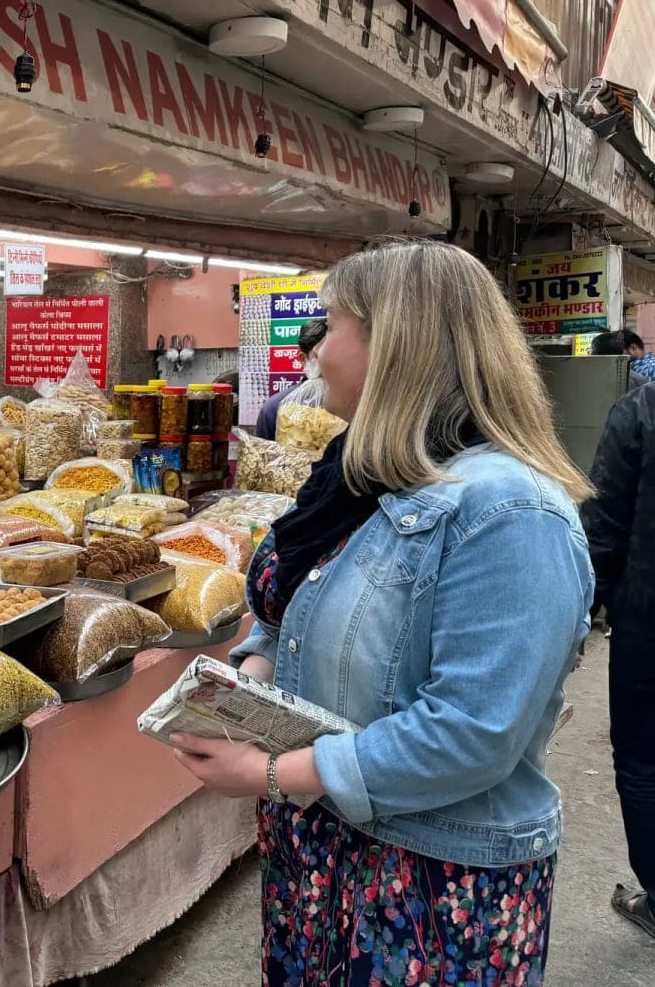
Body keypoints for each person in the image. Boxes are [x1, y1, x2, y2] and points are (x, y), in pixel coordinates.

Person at [169, 240, 593, 985]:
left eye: (329, 326)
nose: (313, 350)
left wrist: (270, 770)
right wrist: (252, 680)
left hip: (433, 884)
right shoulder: (365, 478)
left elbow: (472, 733)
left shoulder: (509, 512)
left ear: (396, 342)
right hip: (323, 857)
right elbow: (296, 604)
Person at [580, 378, 655, 943]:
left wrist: (581, 614)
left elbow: (603, 527)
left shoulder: (647, 408)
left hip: (652, 623)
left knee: (647, 762)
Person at [253, 318, 327, 440]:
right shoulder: (274, 409)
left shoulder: (355, 408)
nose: (328, 362)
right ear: (303, 359)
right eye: (320, 356)